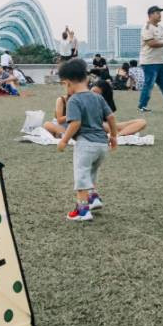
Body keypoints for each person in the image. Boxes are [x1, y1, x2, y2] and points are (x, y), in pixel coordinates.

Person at [54, 58, 117, 222]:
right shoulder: (97, 97)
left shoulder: (74, 99)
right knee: (91, 172)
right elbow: (110, 117)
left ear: (67, 83)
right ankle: (94, 198)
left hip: (86, 144)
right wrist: (114, 136)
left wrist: (64, 140)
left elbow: (75, 123)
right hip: (102, 145)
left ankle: (82, 210)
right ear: (87, 79)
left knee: (81, 176)